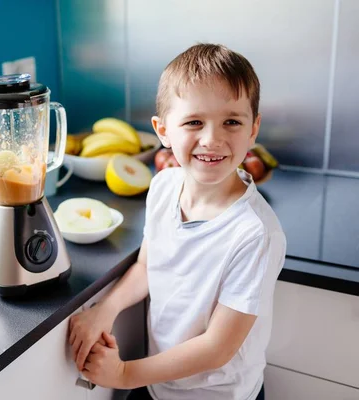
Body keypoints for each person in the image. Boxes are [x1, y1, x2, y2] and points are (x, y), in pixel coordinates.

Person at [68, 43, 286, 400]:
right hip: (156, 384)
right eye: (194, 122)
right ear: (163, 130)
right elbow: (149, 264)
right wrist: (106, 308)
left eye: (231, 121)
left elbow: (218, 347)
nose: (212, 139)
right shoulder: (164, 186)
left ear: (253, 129)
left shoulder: (255, 233)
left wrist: (124, 374)